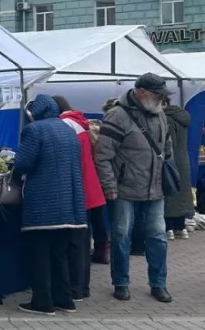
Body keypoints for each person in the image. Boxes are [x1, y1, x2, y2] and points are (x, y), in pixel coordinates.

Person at [94, 73, 173, 303]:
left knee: (158, 237)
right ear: (142, 92)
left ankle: (159, 283)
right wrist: (110, 185)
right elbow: (103, 156)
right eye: (158, 94)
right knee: (120, 236)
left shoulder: (160, 115)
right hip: (124, 189)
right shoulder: (117, 115)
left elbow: (166, 149)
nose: (162, 99)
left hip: (155, 187)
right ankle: (121, 282)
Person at [12, 95, 87, 316]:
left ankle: (42, 302)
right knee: (59, 254)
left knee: (40, 253)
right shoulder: (68, 129)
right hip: (70, 203)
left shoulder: (35, 130)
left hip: (44, 203)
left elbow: (24, 162)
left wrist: (15, 175)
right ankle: (65, 299)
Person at [52, 96, 106, 300]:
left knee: (75, 244)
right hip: (90, 188)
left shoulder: (65, 126)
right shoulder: (79, 123)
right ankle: (83, 287)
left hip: (78, 189)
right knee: (83, 243)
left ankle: (76, 288)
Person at [163, 96, 193, 241]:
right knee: (181, 194)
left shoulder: (166, 119)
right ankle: (181, 228)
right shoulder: (182, 116)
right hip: (184, 160)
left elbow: (169, 144)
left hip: (171, 161)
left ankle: (169, 229)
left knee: (170, 194)